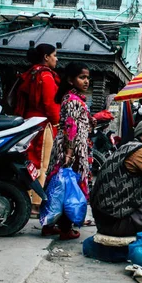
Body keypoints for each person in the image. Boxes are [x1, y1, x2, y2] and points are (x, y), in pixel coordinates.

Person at [44, 62, 95, 240]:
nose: (86, 81)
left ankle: (49, 225)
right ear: (71, 80)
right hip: (71, 149)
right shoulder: (73, 100)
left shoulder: (73, 99)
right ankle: (65, 229)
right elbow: (70, 127)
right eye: (82, 77)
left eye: (87, 77)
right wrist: (69, 152)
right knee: (69, 188)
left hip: (68, 148)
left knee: (57, 185)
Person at [14, 43, 61, 216]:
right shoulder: (46, 76)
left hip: (28, 123)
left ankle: (25, 198)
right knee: (41, 164)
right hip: (42, 124)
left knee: (29, 162)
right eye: (55, 55)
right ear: (46, 57)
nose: (56, 59)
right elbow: (50, 104)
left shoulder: (31, 73)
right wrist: (57, 123)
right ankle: (35, 203)